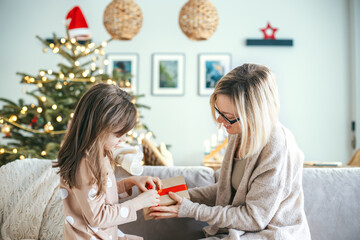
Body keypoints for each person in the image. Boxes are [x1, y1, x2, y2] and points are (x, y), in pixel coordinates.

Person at [150, 64, 311, 239]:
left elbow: (254, 218)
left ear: (254, 114)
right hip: (240, 232)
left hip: (271, 234)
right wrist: (175, 194)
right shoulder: (238, 132)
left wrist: (191, 210)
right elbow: (225, 192)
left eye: (228, 116)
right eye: (219, 111)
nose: (220, 120)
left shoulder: (277, 146)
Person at [53, 83, 161, 240]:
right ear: (98, 128)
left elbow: (98, 195)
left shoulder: (100, 154)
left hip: (106, 235)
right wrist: (138, 203)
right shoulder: (85, 163)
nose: (123, 139)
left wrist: (130, 182)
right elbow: (97, 217)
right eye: (118, 135)